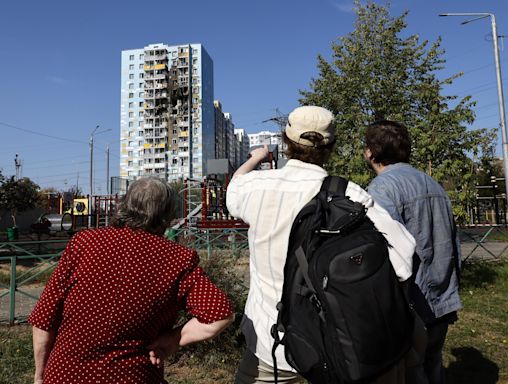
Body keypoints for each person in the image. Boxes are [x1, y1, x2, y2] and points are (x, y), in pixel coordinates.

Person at [226, 106, 417, 384]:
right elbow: (403, 260)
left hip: (269, 351)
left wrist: (255, 159)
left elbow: (234, 187)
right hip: (338, 350)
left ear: (285, 140)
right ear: (332, 146)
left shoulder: (255, 186)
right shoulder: (349, 193)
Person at [29, 177, 234, 384]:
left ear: (125, 204)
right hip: (134, 376)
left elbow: (45, 319)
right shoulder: (178, 259)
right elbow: (219, 316)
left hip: (65, 375)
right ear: (167, 214)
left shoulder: (83, 243)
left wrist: (40, 375)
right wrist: (171, 342)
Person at [364, 120, 463, 384]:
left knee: (411, 372)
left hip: (411, 305)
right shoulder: (433, 184)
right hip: (442, 298)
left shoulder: (382, 189)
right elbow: (454, 244)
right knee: (433, 365)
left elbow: (383, 255)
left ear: (371, 152)